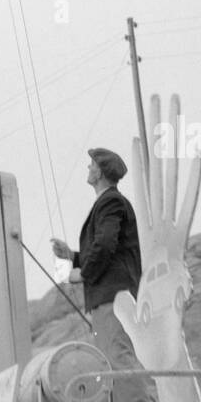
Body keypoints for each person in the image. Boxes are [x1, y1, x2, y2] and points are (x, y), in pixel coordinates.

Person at [51, 147, 143, 374]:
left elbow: (104, 245)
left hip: (112, 299)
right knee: (112, 359)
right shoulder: (111, 202)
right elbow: (109, 250)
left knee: (117, 359)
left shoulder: (110, 201)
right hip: (112, 298)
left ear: (100, 172)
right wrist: (71, 257)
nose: (88, 167)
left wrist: (83, 273)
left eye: (92, 164)